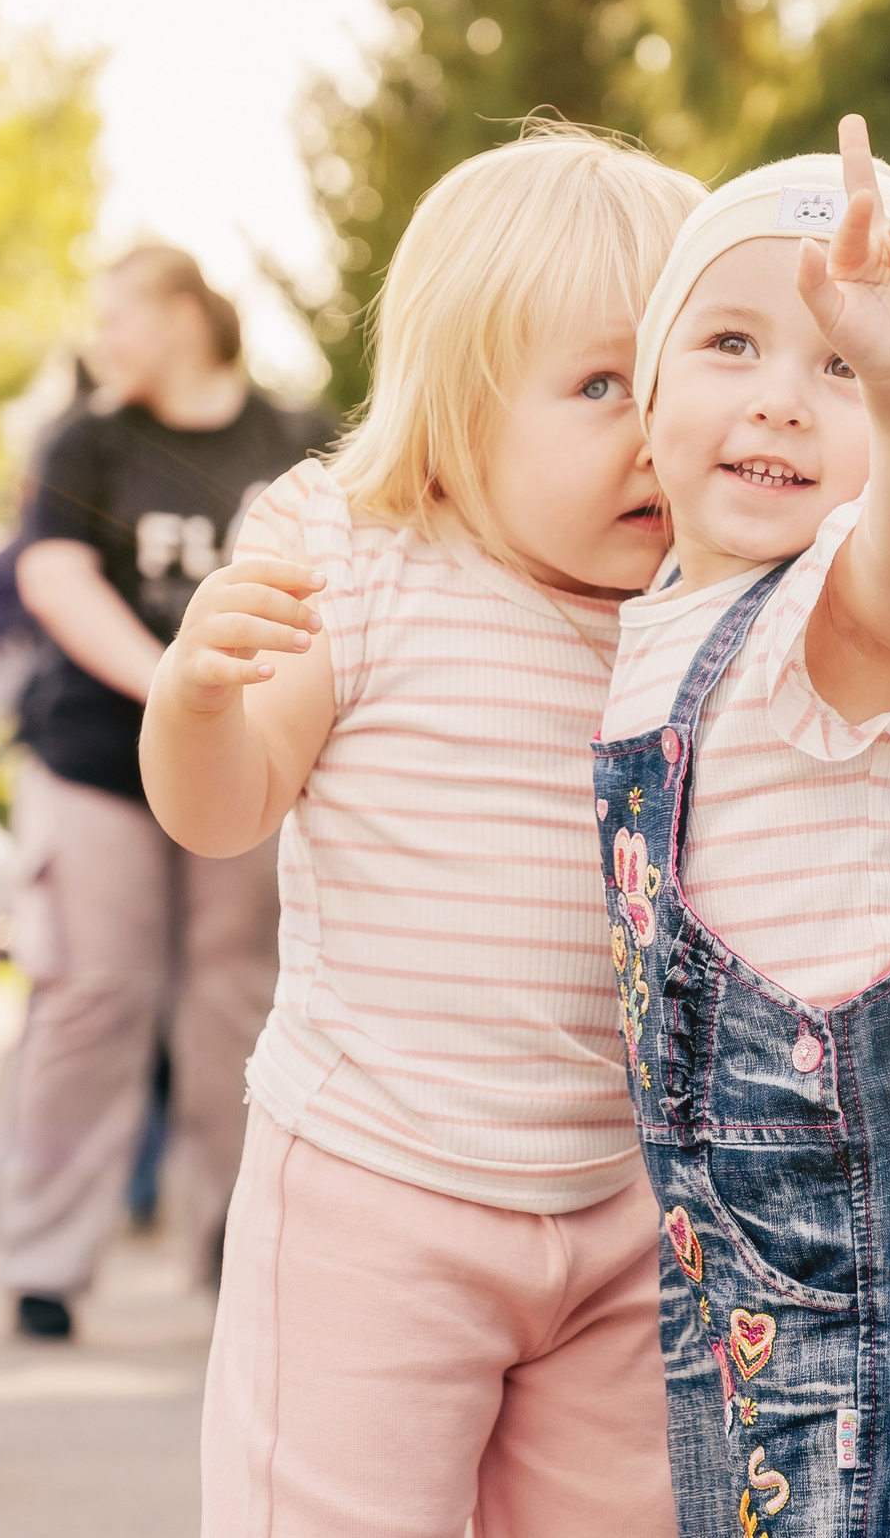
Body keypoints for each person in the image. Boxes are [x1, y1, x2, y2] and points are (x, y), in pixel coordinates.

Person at [145, 127, 701, 1535]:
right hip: (374, 1193)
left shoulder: (700, 611)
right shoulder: (355, 552)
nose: (654, 431)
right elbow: (224, 806)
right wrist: (194, 698)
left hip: (622, 1206)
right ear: (461, 405)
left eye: (680, 378)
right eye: (600, 384)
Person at [587, 119, 890, 1533]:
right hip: (726, 1268)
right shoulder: (656, 621)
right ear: (648, 391)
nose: (782, 400)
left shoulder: (838, 614)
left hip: (861, 1273)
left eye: (834, 367)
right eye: (731, 343)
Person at [0, 245, 334, 1342]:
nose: (103, 340)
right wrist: (179, 688)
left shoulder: (294, 437)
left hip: (250, 760)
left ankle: (237, 1244)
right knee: (96, 992)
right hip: (98, 763)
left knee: (236, 997)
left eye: (119, 317)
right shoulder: (85, 439)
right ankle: (45, 1259)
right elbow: (54, 577)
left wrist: (232, 716)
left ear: (184, 316)